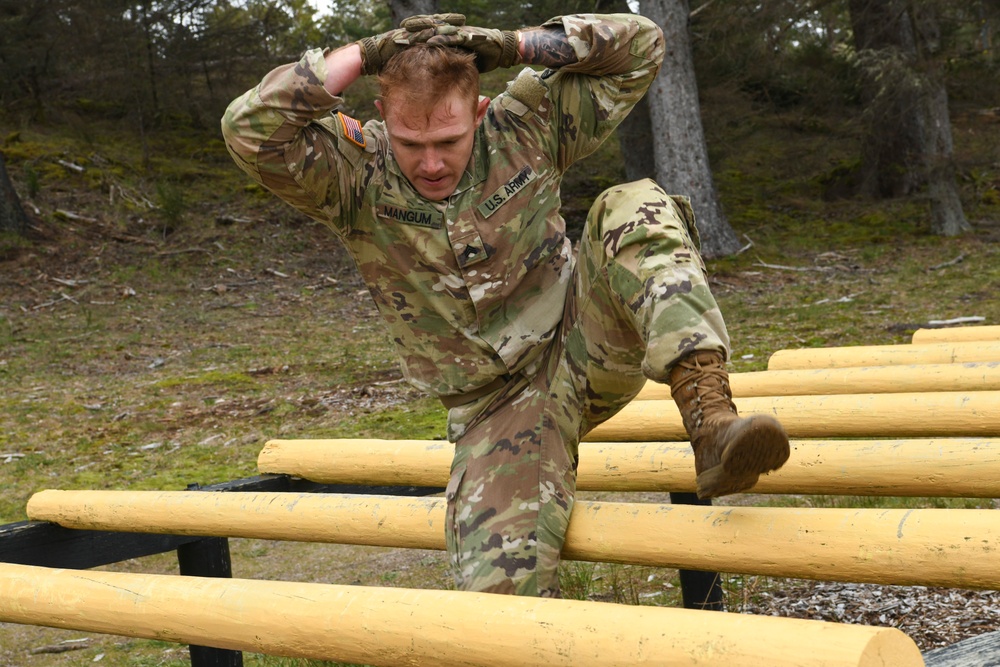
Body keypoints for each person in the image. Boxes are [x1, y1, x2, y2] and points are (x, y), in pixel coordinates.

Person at [222, 12, 789, 598]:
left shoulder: (523, 126)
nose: (433, 163)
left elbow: (643, 45)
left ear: (480, 110)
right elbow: (248, 128)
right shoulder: (356, 176)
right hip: (494, 413)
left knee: (634, 203)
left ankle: (711, 421)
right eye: (413, 145)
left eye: (449, 140)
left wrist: (519, 44)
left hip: (581, 342)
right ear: (385, 123)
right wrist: (364, 56)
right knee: (499, 609)